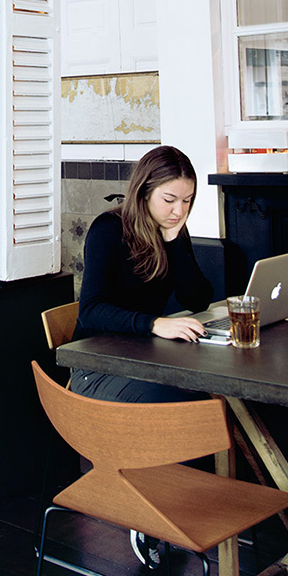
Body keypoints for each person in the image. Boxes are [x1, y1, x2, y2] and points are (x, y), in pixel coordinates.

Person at [70, 145, 212, 405]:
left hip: (144, 357)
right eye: (169, 200)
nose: (179, 211)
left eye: (187, 200)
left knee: (207, 392)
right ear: (144, 192)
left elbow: (198, 300)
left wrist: (173, 242)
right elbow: (90, 311)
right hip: (97, 366)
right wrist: (154, 324)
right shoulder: (108, 229)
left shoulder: (172, 230)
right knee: (190, 402)